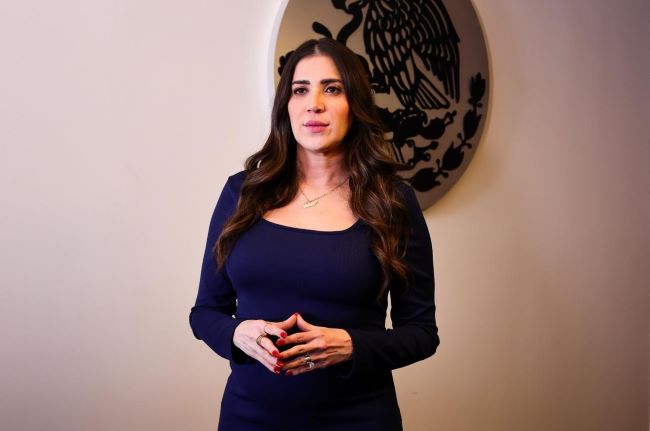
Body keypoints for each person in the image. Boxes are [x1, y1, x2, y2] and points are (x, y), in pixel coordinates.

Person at [189, 38, 439, 431]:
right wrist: (238, 333)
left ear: (355, 104)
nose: (314, 104)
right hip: (248, 418)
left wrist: (352, 345)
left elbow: (422, 334)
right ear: (286, 106)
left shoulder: (393, 202)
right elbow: (205, 313)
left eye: (332, 89)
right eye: (300, 90)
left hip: (358, 419)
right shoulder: (242, 193)